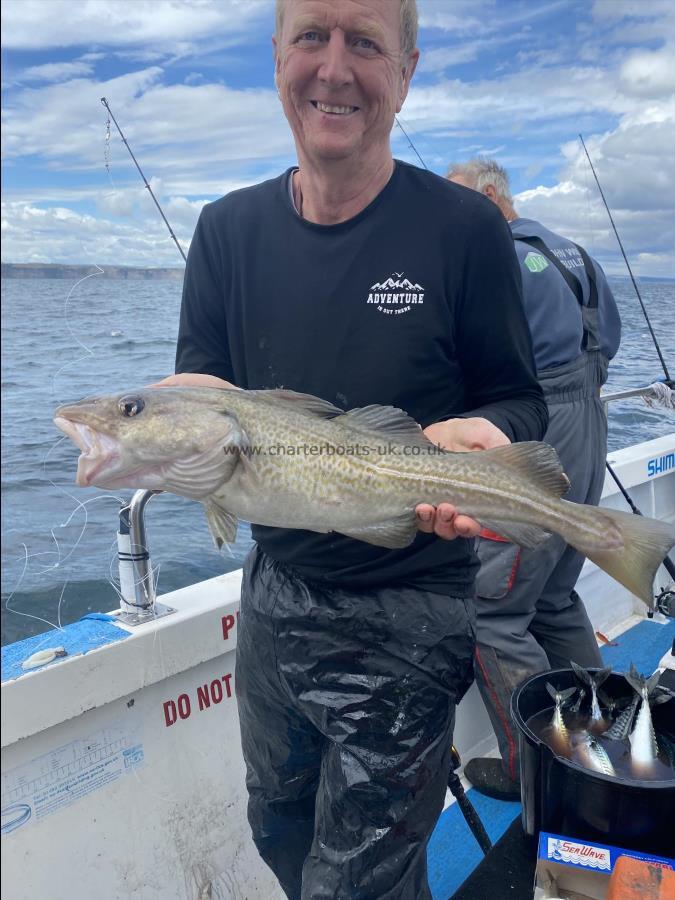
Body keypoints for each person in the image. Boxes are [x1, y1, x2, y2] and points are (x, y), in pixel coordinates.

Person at [160, 5, 547, 898]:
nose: (333, 69)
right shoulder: (225, 230)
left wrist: (493, 437)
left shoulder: (462, 227)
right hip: (274, 597)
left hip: (409, 598)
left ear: (406, 69)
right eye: (311, 37)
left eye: (364, 43)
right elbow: (208, 391)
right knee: (279, 827)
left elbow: (517, 397)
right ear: (275, 58)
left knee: (358, 882)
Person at [447, 157, 621, 801]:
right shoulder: (572, 252)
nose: (453, 219)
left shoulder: (499, 257)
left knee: (494, 611)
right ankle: (609, 734)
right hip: (590, 423)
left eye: (461, 203)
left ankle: (538, 773)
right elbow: (608, 342)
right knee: (554, 597)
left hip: (536, 431)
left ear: (492, 198)